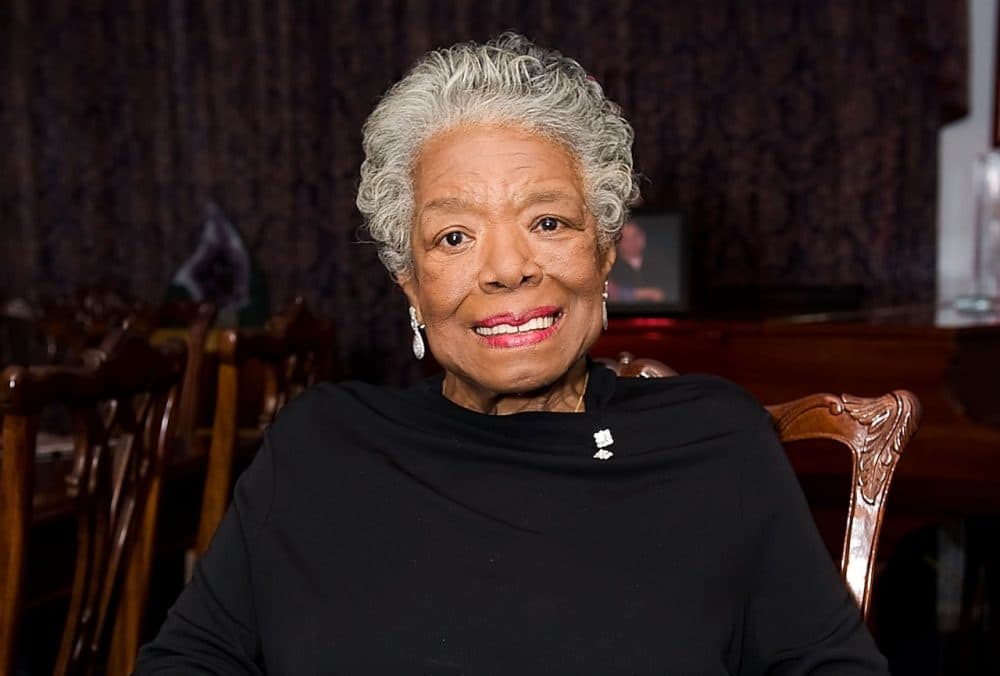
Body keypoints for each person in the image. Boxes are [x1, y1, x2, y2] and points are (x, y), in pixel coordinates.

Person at [135, 34, 889, 674]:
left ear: (604, 253)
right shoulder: (322, 447)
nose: (506, 268)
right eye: (454, 237)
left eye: (550, 222)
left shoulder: (714, 443)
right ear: (410, 282)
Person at [607, 219, 670, 303]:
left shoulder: (662, 262)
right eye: (625, 239)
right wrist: (647, 293)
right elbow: (612, 294)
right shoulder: (609, 268)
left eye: (635, 236)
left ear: (643, 237)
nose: (632, 242)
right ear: (617, 242)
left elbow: (666, 294)